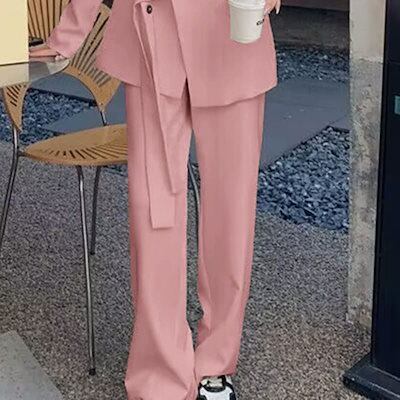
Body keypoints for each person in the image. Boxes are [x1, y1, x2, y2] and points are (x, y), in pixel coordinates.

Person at [30, 0, 280, 398]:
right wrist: (69, 33)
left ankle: (216, 362)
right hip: (152, 35)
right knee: (153, 214)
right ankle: (160, 374)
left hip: (235, 34)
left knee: (232, 213)